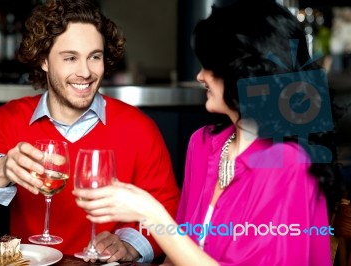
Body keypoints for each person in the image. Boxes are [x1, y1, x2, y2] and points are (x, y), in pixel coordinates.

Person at [73, 0, 341, 265]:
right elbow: (178, 255)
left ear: (243, 73)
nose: (200, 76)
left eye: (209, 66)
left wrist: (151, 213)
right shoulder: (203, 143)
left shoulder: (289, 163)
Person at [0, 0, 181, 263]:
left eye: (95, 56)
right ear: (43, 60)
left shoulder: (139, 127)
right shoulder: (7, 119)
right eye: (70, 58)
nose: (85, 72)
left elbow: (169, 211)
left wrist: (130, 244)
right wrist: (1, 170)